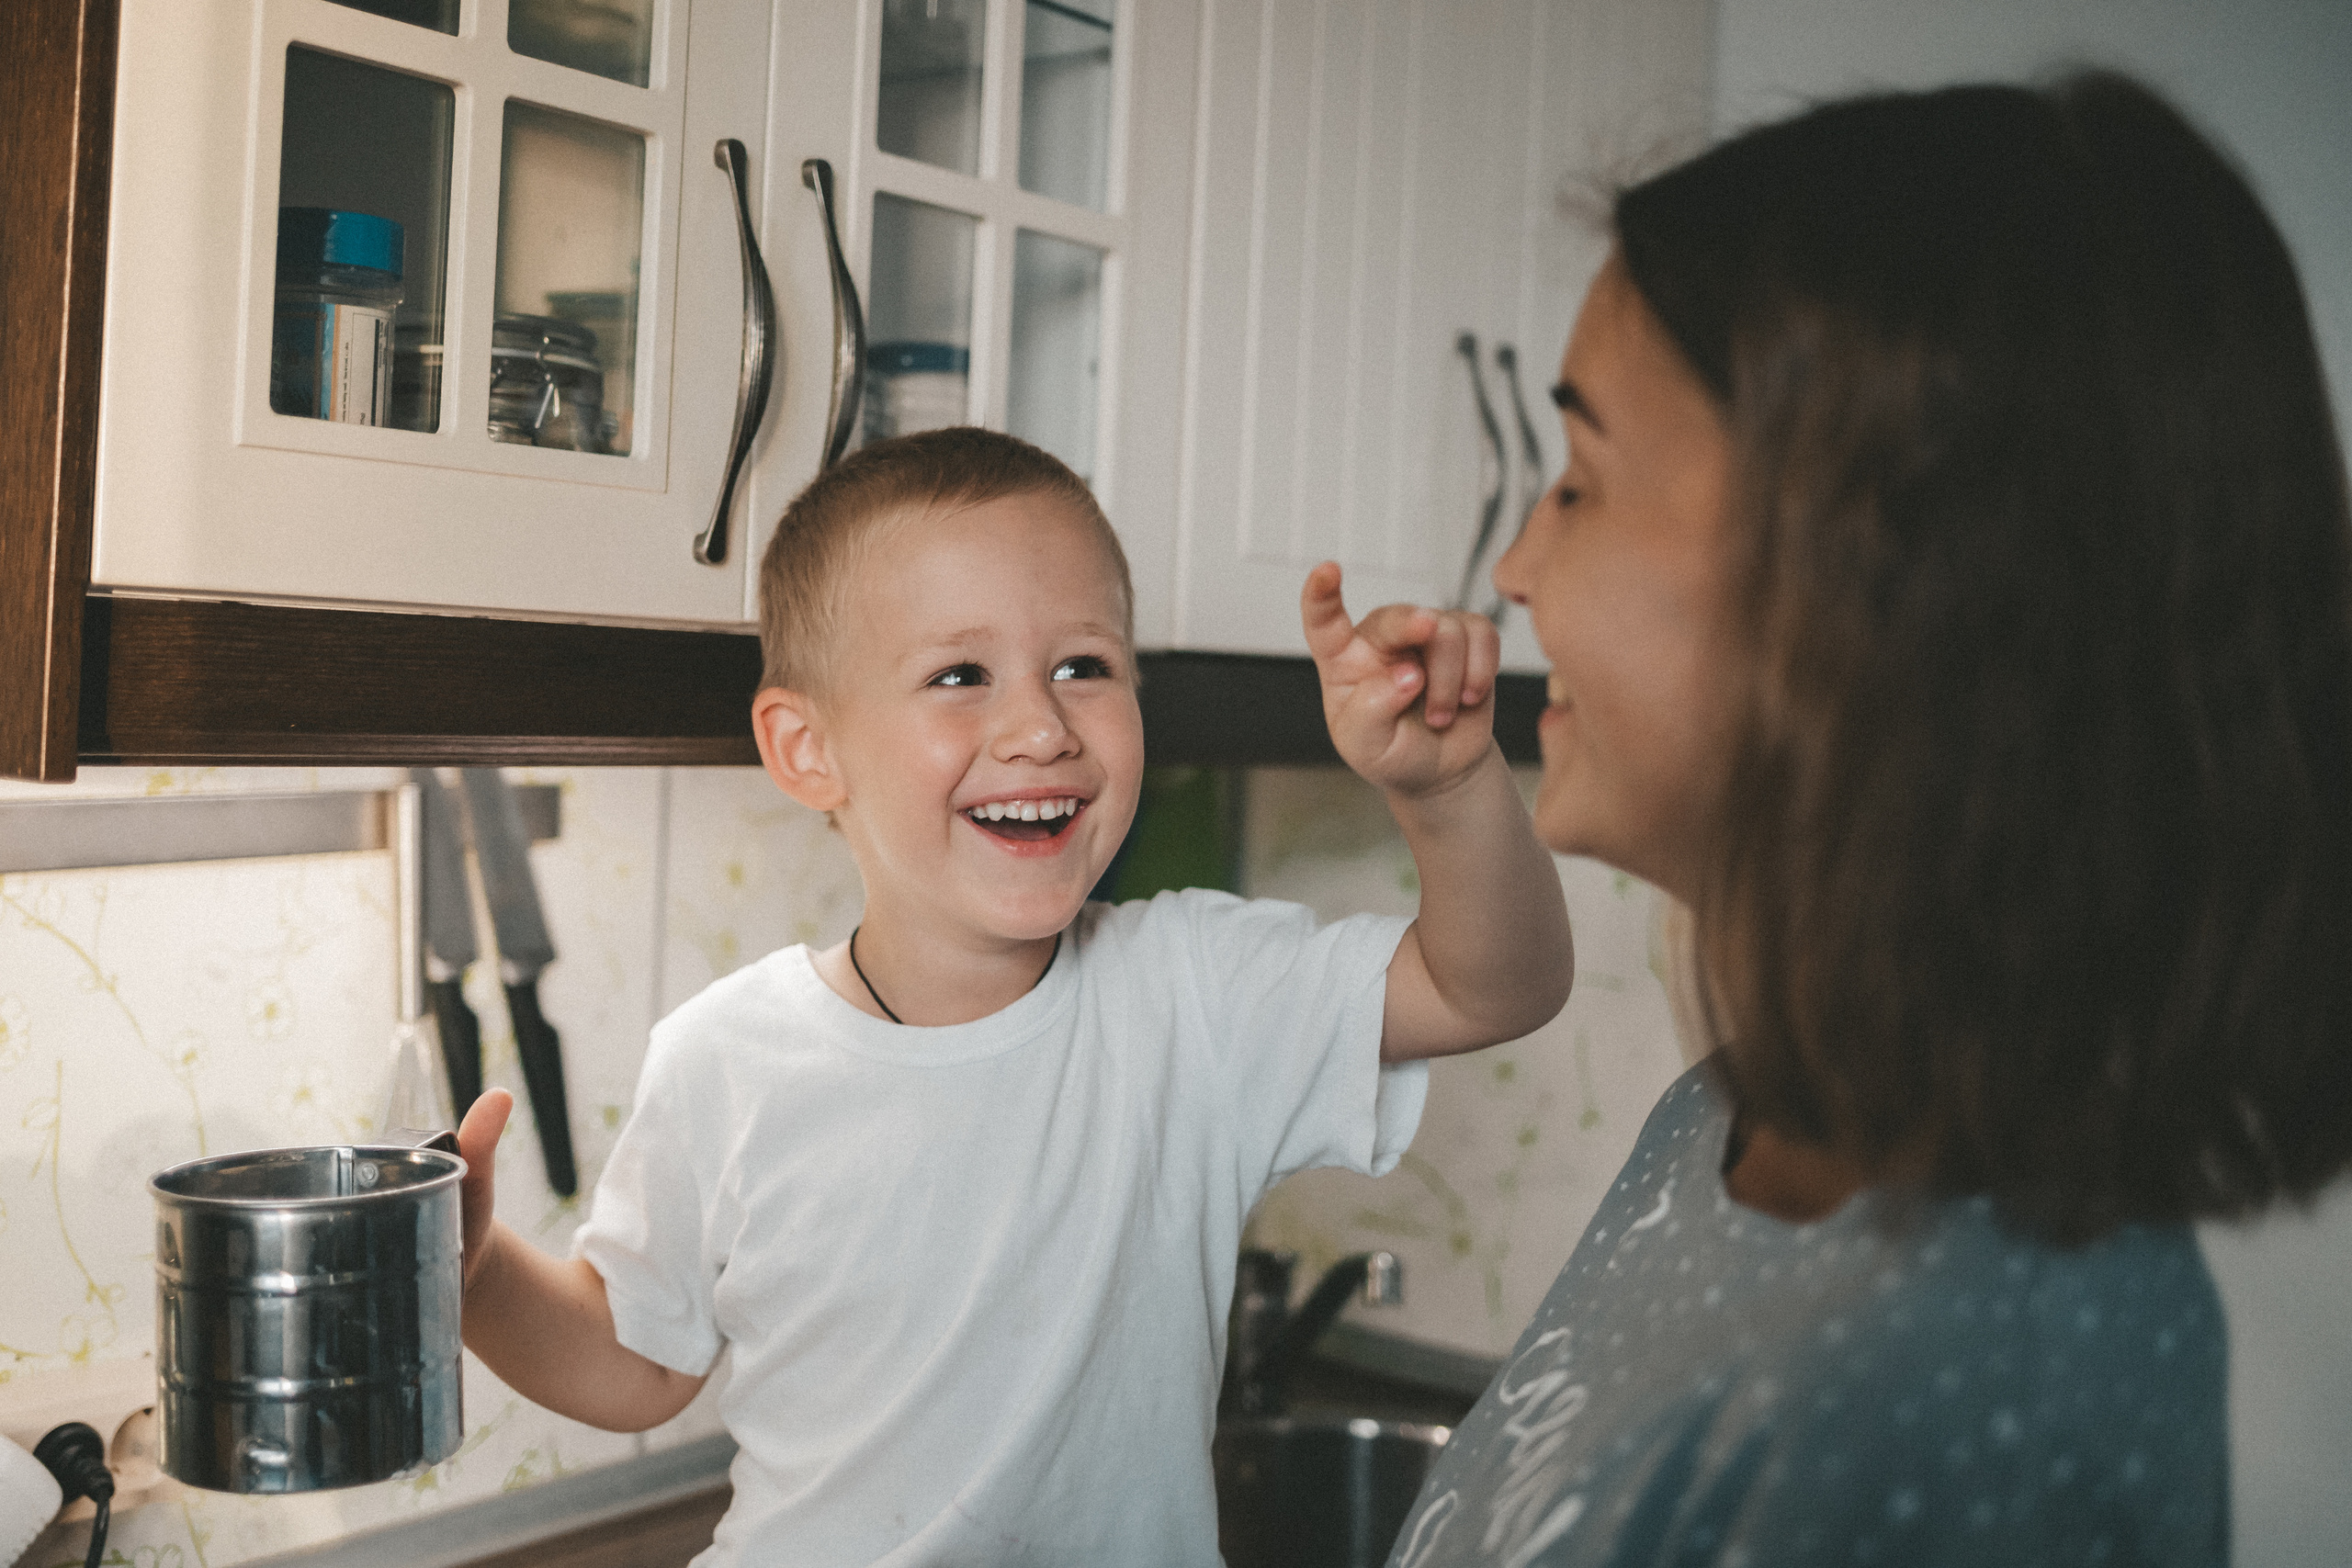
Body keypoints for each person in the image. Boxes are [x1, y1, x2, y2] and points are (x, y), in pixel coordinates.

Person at [1390, 73, 2352, 1567]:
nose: (1513, 567)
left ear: (1878, 596)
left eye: (1579, 482)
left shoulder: (1984, 1390)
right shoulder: (1726, 1117)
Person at [454, 426, 1575, 1563]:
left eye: (1084, 667)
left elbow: (1491, 987)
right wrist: (477, 1272)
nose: (1040, 728)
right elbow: (634, 1360)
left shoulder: (1195, 995)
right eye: (959, 676)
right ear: (807, 751)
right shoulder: (722, 1058)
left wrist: (1451, 788)